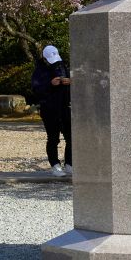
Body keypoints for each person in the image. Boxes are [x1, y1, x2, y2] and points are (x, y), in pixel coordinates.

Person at [31, 45, 73, 176]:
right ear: (44, 58)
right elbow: (36, 89)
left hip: (65, 107)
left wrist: (70, 81)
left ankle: (69, 164)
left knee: (71, 137)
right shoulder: (39, 71)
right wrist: (50, 84)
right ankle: (55, 165)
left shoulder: (62, 66)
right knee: (53, 138)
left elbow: (73, 83)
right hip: (49, 109)